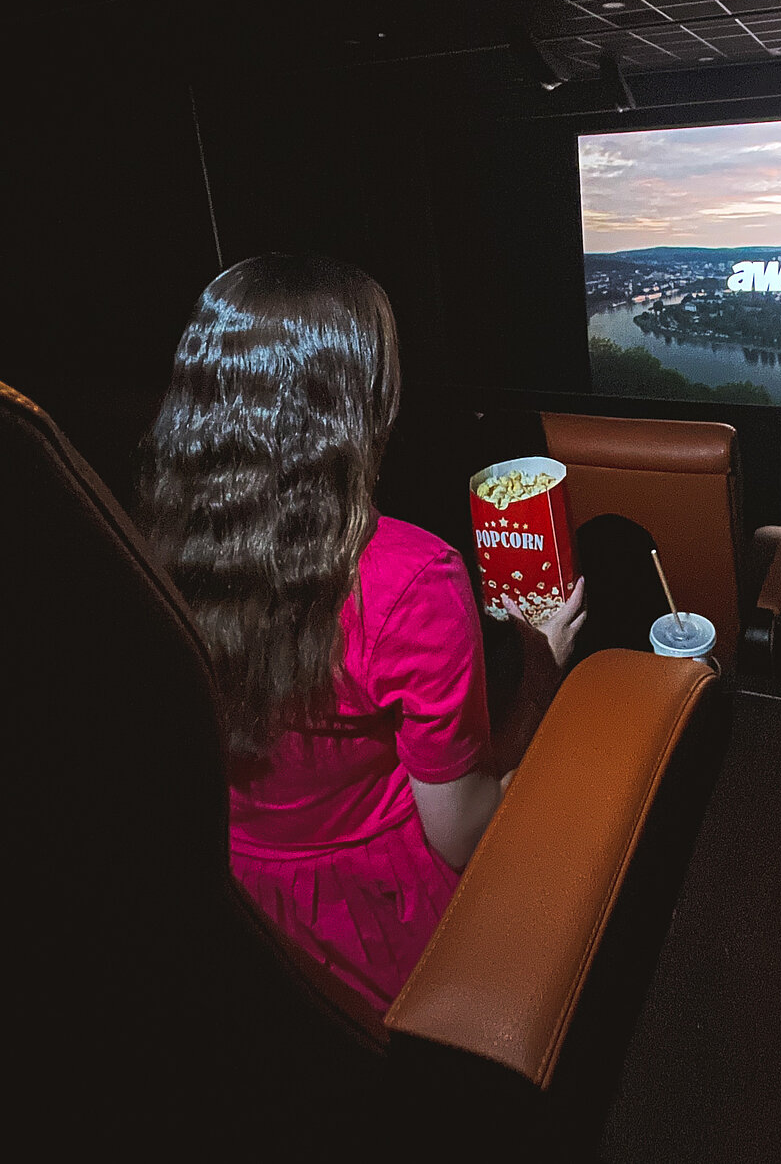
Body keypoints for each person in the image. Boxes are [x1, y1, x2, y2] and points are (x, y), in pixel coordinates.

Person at [137, 254, 585, 1012]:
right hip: (373, 925)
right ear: (355, 404)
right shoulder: (413, 579)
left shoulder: (150, 545)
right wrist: (542, 675)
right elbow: (466, 835)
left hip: (226, 908)